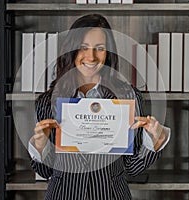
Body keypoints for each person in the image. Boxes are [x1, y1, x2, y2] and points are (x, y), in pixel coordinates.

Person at [28, 14, 170, 200]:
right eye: (83, 48)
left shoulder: (128, 97)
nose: (91, 56)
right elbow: (46, 171)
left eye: (100, 49)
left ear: (108, 52)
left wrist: (153, 141)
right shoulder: (48, 102)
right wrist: (40, 147)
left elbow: (131, 167)